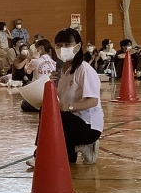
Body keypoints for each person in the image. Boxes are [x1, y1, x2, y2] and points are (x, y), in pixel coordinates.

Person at [28, 28, 102, 166]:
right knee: (66, 161)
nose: (62, 49)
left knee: (55, 115)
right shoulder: (59, 70)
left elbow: (93, 101)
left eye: (67, 45)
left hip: (87, 124)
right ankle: (79, 148)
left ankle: (40, 154)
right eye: (59, 45)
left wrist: (69, 107)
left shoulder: (85, 70)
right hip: (69, 120)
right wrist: (49, 84)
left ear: (77, 47)